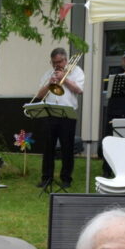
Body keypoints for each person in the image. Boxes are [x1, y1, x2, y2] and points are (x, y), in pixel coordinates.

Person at [34, 47, 84, 190]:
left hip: (67, 114)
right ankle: (46, 178)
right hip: (50, 113)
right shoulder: (47, 74)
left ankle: (66, 178)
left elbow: (79, 90)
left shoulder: (76, 71)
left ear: (65, 60)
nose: (57, 65)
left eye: (59, 62)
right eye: (54, 62)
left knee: (67, 147)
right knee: (48, 147)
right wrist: (50, 83)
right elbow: (39, 95)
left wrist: (64, 79)